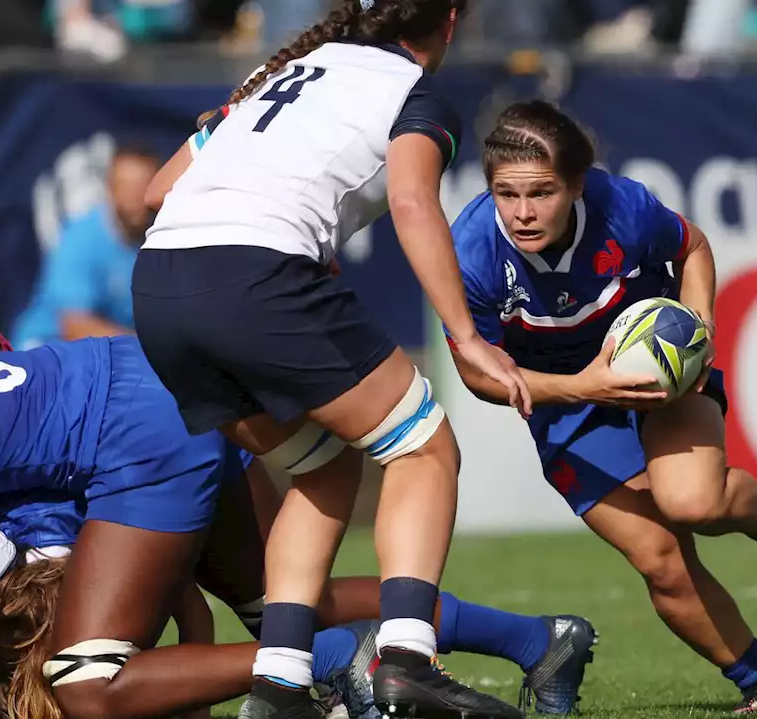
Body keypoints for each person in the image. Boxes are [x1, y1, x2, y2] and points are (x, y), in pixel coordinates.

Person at [130, 1, 534, 718]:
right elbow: (413, 202)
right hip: (254, 275)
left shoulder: (277, 71)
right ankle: (409, 662)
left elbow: (157, 192)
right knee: (424, 448)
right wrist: (467, 339)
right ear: (448, 20)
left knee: (324, 464)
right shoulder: (415, 92)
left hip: (160, 284)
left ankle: (280, 684)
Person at [444, 99, 757, 713]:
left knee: (692, 502)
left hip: (660, 372)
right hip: (565, 399)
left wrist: (701, 327)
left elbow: (693, 246)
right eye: (507, 194)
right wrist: (584, 387)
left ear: (577, 186)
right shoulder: (471, 252)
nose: (523, 213)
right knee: (659, 559)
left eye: (542, 193)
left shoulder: (622, 207)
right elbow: (480, 377)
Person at [0, 330, 595, 719]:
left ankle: (335, 655)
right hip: (154, 382)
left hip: (133, 433)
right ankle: (538, 639)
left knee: (87, 682)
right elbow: (168, 586)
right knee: (286, 601)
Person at [12, 142, 159, 349]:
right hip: (47, 351)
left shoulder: (162, 238)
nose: (133, 197)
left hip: (112, 355)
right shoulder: (81, 237)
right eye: (125, 186)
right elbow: (75, 327)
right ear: (110, 189)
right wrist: (152, 350)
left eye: (143, 185)